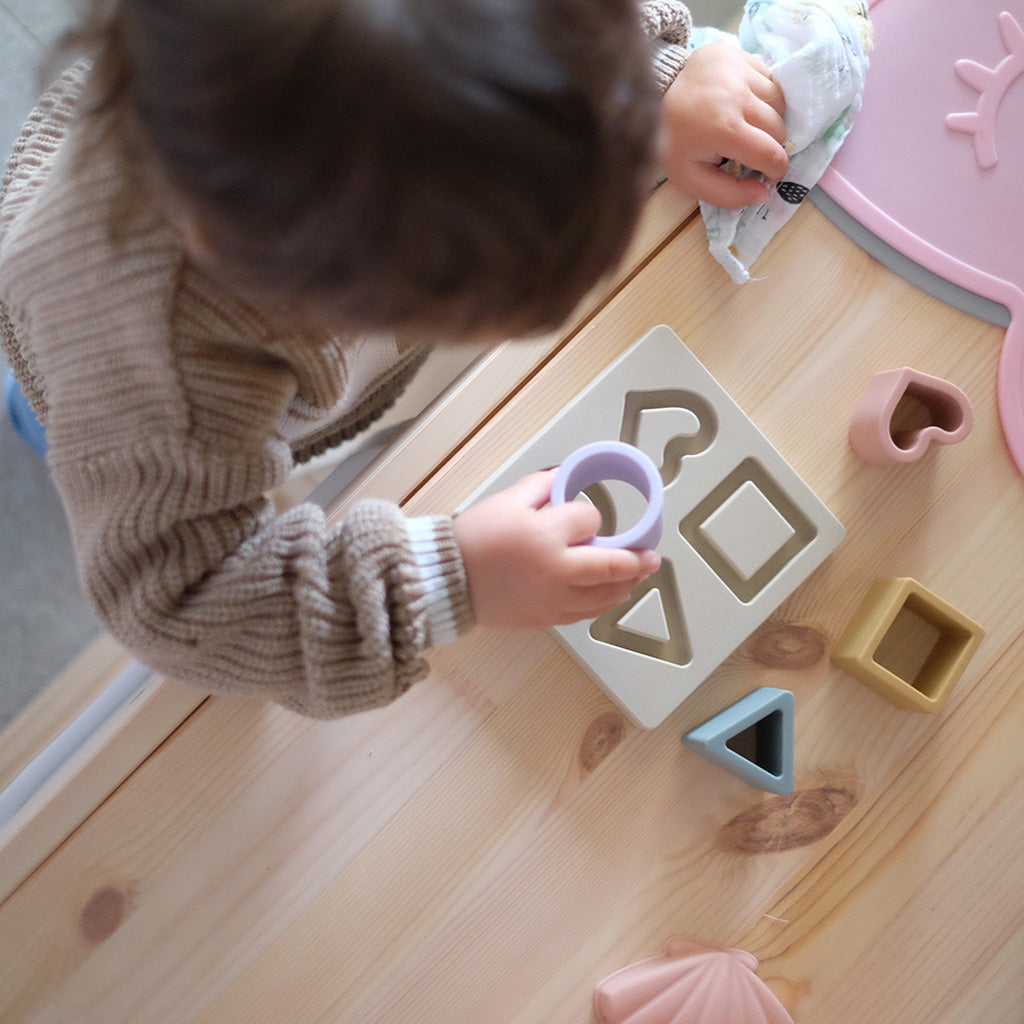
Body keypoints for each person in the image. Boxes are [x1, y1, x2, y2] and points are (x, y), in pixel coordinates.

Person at [0, 0, 787, 718]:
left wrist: (641, 87)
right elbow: (182, 593)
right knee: (83, 431)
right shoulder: (157, 366)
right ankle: (31, 421)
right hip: (108, 373)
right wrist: (450, 581)